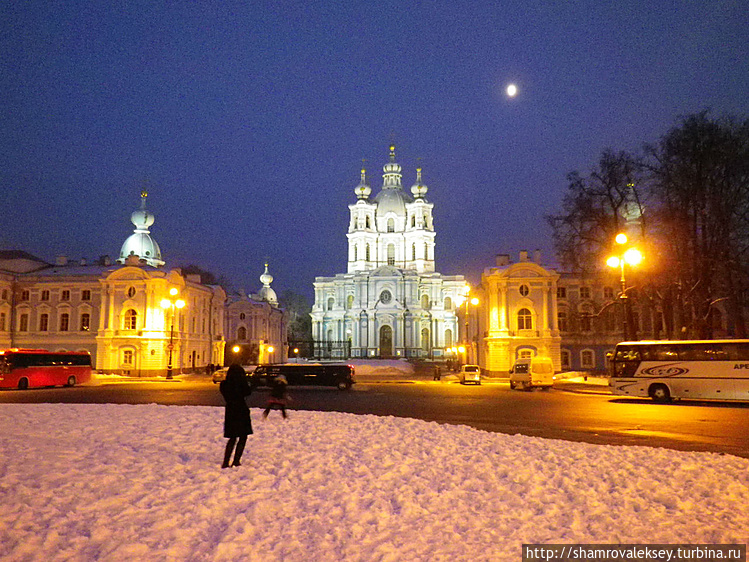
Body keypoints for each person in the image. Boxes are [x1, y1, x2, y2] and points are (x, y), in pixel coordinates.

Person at [219, 364, 253, 468]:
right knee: (243, 436)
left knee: (232, 437)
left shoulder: (224, 384)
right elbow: (247, 392)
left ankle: (226, 461)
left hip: (230, 411)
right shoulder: (241, 384)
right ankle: (236, 460)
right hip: (241, 410)